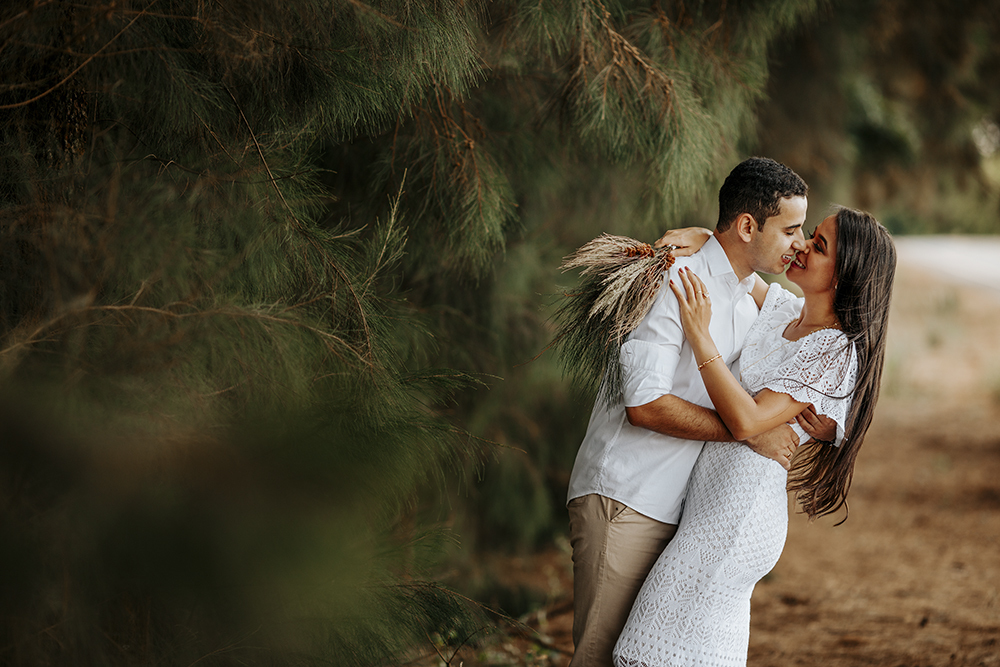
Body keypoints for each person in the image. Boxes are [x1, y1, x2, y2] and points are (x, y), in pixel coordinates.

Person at [566, 157, 834, 667]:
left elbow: (812, 338)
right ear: (748, 227)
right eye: (791, 230)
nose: (799, 244)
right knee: (600, 658)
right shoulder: (677, 280)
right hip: (626, 498)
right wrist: (749, 433)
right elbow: (644, 404)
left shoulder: (748, 296)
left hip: (678, 509)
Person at [613, 207, 896, 666]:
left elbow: (748, 422)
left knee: (645, 650)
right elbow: (740, 267)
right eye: (810, 234)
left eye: (819, 246)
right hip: (708, 503)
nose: (801, 245)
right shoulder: (785, 311)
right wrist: (707, 236)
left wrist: (700, 336)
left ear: (844, 276)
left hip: (737, 514)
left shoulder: (834, 349)